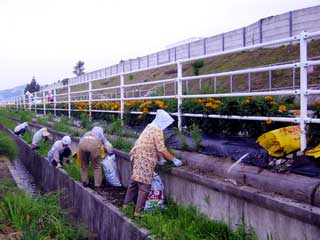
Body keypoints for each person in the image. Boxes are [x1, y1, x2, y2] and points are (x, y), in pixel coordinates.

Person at [123, 109, 182, 216]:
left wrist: (160, 158)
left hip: (135, 155)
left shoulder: (149, 127)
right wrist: (174, 159)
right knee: (144, 186)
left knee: (134, 181)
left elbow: (153, 145)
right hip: (144, 159)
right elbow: (162, 149)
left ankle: (126, 205)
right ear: (163, 122)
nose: (166, 126)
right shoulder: (158, 131)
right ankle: (138, 212)